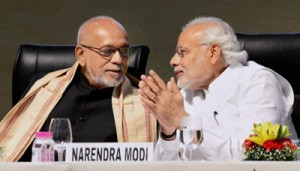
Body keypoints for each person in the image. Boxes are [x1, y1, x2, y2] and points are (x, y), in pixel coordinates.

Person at [138, 16, 298, 161]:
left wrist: (183, 120)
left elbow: (251, 157)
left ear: (213, 52)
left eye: (182, 52)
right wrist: (169, 130)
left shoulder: (258, 82)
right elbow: (164, 165)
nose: (173, 61)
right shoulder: (185, 95)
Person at [0, 16, 157, 162]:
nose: (118, 60)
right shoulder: (44, 88)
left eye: (123, 51)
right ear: (81, 54)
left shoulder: (143, 97)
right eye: (107, 51)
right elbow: (14, 150)